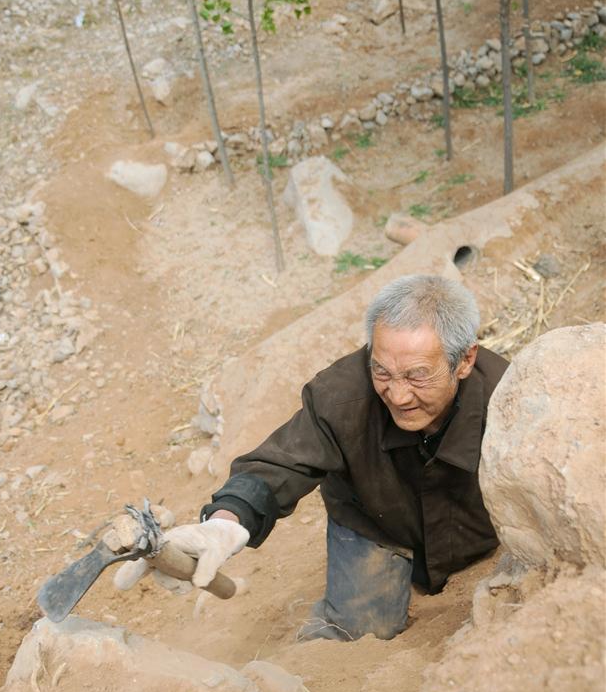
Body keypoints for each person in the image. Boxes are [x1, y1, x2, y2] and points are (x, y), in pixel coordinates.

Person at [116, 275, 508, 641]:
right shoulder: (339, 397)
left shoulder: (509, 397)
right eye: (382, 372)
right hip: (376, 522)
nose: (398, 395)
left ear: (465, 360)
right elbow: (280, 462)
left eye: (417, 376)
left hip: (474, 532)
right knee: (359, 631)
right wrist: (224, 522)